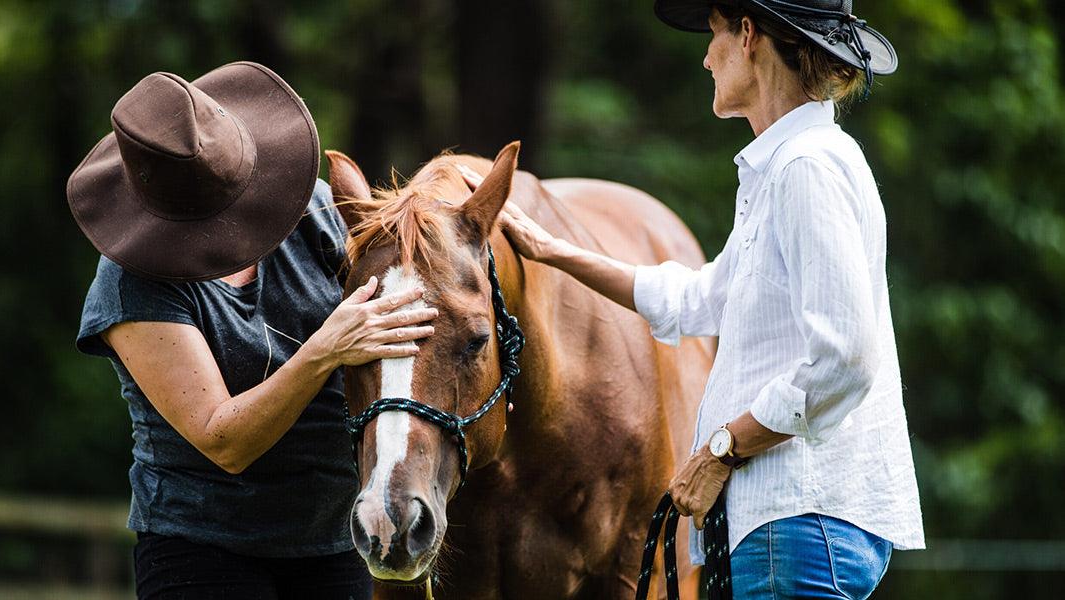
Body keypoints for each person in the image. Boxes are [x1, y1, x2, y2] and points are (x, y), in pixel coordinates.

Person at [463, 1, 925, 598]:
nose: (707, 58)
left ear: (750, 36)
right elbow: (695, 299)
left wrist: (722, 450)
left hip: (798, 525)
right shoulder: (785, 168)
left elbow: (845, 361)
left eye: (714, 36)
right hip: (789, 528)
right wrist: (554, 250)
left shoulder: (806, 170)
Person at [69, 62, 437, 599]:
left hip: (335, 538)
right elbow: (225, 441)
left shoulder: (310, 210)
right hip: (202, 550)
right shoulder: (133, 284)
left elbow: (402, 315)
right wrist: (323, 352)